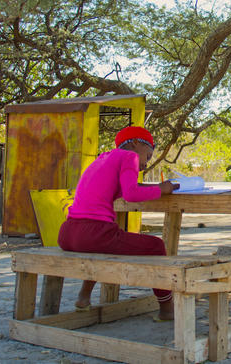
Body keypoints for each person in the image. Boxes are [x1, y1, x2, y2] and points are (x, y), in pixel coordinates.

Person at [57, 125, 179, 320]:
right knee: (156, 245)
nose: (146, 164)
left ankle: (84, 296)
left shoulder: (102, 159)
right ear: (137, 143)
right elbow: (131, 194)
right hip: (94, 233)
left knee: (104, 248)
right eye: (147, 156)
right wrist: (161, 189)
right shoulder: (128, 157)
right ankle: (167, 308)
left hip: (68, 233)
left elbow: (117, 188)